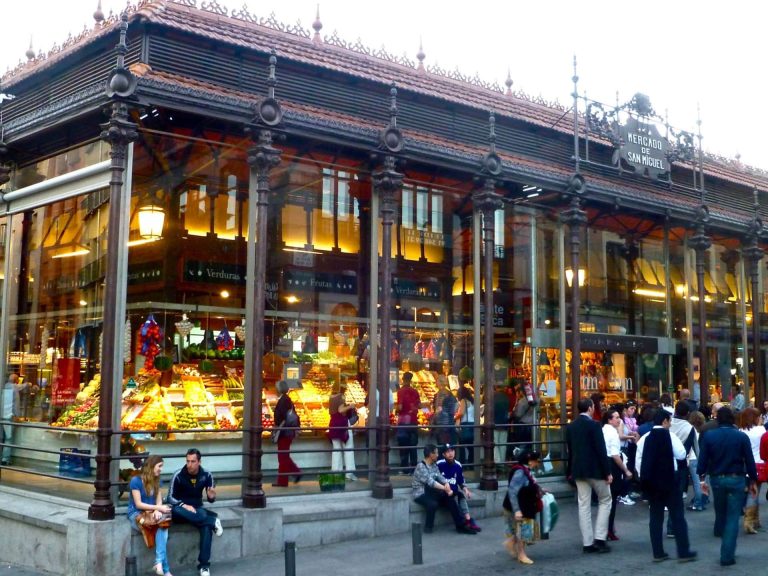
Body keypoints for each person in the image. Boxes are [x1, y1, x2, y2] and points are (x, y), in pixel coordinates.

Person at [697, 406, 757, 567]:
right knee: (732, 516)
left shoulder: (710, 436)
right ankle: (727, 554)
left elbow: (702, 460)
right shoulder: (741, 437)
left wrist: (702, 480)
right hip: (736, 478)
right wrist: (752, 480)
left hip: (717, 479)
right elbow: (749, 461)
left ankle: (722, 538)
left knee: (721, 511)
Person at [636, 409, 697, 563]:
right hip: (670, 480)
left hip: (652, 483)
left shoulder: (645, 438)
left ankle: (658, 552)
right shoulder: (670, 436)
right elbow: (681, 454)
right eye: (669, 421)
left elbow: (639, 460)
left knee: (655, 517)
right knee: (677, 516)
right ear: (664, 421)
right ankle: (683, 551)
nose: (670, 424)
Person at [565, 398, 612, 554]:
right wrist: (607, 472)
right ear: (591, 408)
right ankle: (600, 538)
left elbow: (570, 451)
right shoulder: (594, 425)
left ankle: (587, 542)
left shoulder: (571, 426)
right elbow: (601, 450)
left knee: (583, 505)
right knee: (605, 499)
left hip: (578, 470)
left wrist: (570, 471)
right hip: (595, 470)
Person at [168, 448, 223, 576]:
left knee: (205, 525)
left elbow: (211, 499)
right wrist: (184, 505)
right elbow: (170, 498)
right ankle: (212, 520)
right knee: (180, 510)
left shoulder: (207, 475)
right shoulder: (178, 475)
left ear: (199, 462)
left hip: (197, 510)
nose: (189, 464)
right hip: (180, 511)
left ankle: (204, 566)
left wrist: (211, 496)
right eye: (188, 461)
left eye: (193, 461)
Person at [411, 443, 477, 535]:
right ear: (431, 454)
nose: (438, 455)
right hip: (420, 493)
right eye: (436, 453)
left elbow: (439, 476)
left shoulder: (434, 465)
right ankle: (428, 528)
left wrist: (446, 483)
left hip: (431, 491)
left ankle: (460, 526)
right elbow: (431, 482)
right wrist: (446, 488)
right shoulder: (421, 466)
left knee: (450, 498)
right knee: (432, 504)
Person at [128, 454, 173, 576]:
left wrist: (158, 510)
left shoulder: (157, 480)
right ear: (152, 466)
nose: (161, 469)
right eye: (159, 466)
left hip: (152, 513)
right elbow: (139, 504)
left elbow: (159, 500)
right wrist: (158, 508)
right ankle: (165, 569)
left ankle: (159, 563)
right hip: (137, 514)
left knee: (163, 526)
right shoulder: (136, 481)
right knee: (162, 528)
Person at [503, 450, 542, 565]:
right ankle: (521, 554)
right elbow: (512, 491)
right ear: (530, 462)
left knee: (521, 531)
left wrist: (540, 490)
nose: (537, 463)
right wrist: (517, 510)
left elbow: (530, 484)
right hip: (520, 507)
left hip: (524, 506)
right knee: (522, 532)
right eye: (536, 461)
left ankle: (511, 545)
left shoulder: (525, 470)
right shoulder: (520, 472)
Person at [602, 409, 633, 541]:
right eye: (615, 417)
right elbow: (615, 455)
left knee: (606, 500)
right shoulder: (613, 433)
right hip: (612, 466)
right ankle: (608, 529)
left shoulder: (603, 430)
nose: (618, 419)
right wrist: (625, 470)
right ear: (609, 419)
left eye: (619, 417)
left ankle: (607, 528)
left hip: (603, 464)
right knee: (612, 500)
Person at [436, 443, 481, 532]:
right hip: (443, 493)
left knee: (461, 495)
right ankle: (461, 524)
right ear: (443, 454)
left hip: (454, 492)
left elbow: (461, 481)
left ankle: (468, 520)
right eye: (447, 452)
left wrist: (466, 489)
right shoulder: (439, 464)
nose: (450, 453)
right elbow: (435, 480)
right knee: (453, 497)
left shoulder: (458, 465)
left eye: (452, 451)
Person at [737, 407, 763, 533]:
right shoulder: (760, 430)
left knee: (750, 491)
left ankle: (755, 520)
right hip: (759, 463)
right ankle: (750, 520)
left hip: (744, 464)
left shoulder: (741, 431)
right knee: (755, 492)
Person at [272, 380, 302, 487]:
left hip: (284, 431)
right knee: (284, 455)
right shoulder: (287, 400)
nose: (275, 390)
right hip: (288, 431)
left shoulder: (283, 401)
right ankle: (296, 472)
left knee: (282, 457)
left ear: (279, 390)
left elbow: (281, 417)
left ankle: (283, 481)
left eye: (276, 388)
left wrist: (276, 424)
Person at [328, 378, 357, 481]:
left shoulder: (331, 397)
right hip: (342, 423)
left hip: (333, 424)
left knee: (336, 449)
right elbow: (341, 410)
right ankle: (349, 473)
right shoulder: (340, 397)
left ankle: (336, 472)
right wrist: (350, 406)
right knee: (348, 448)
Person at [395, 371, 421, 474]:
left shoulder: (400, 392)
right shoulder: (415, 391)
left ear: (402, 379)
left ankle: (404, 468)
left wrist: (397, 409)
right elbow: (419, 406)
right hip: (413, 421)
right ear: (411, 380)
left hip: (403, 422)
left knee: (403, 446)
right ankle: (414, 468)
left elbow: (400, 407)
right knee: (413, 445)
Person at [687, 410, 706, 511]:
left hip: (693, 457)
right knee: (701, 481)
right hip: (702, 457)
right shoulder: (703, 430)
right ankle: (703, 499)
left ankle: (698, 503)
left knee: (696, 482)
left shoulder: (690, 429)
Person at [432, 376, 457, 449]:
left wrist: (434, 417)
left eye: (437, 381)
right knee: (448, 446)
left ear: (440, 383)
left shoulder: (440, 394)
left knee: (442, 447)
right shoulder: (450, 394)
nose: (436, 383)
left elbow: (438, 409)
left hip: (442, 424)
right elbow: (454, 408)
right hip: (449, 423)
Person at [1, 373, 20, 465]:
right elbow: (16, 403)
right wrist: (17, 415)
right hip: (9, 416)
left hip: (1, 416)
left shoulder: (3, 386)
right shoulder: (14, 388)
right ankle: (5, 459)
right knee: (8, 438)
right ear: (16, 380)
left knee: (2, 438)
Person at [454, 385, 475, 466]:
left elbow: (461, 413)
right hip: (472, 425)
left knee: (462, 446)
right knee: (471, 447)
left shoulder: (463, 401)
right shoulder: (472, 401)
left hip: (465, 425)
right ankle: (471, 463)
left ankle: (462, 464)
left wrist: (455, 417)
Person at [512, 384, 535, 455]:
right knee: (530, 444)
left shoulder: (522, 401)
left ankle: (521, 458)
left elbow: (518, 414)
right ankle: (529, 458)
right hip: (532, 424)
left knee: (522, 443)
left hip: (523, 424)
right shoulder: (534, 401)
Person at [493, 380, 511, 464]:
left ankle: (498, 461)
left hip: (495, 423)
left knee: (495, 444)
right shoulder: (506, 397)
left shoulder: (493, 396)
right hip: (504, 423)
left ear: (496, 387)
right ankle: (502, 462)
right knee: (503, 444)